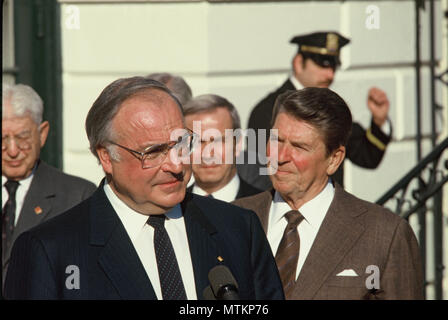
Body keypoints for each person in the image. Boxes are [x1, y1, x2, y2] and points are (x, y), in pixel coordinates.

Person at [4, 77, 284, 300]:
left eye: (182, 143)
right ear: (106, 156)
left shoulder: (238, 229)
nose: (176, 164)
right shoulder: (50, 250)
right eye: (153, 152)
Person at [234, 88, 424, 300]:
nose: (281, 156)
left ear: (334, 159)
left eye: (299, 146)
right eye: (276, 140)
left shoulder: (385, 235)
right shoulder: (234, 217)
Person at [244, 31, 392, 189]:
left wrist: (379, 121)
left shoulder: (332, 109)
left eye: (334, 67)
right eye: (322, 64)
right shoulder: (267, 110)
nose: (330, 74)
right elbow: (260, 175)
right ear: (299, 63)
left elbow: (367, 157)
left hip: (331, 210)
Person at [2, 84, 96, 288]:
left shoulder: (78, 196)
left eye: (22, 138)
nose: (12, 150)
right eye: (2, 139)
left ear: (42, 134)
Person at [184, 94, 262, 201]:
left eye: (218, 141)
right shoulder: (171, 207)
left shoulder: (264, 208)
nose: (207, 155)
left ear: (238, 144)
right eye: (198, 142)